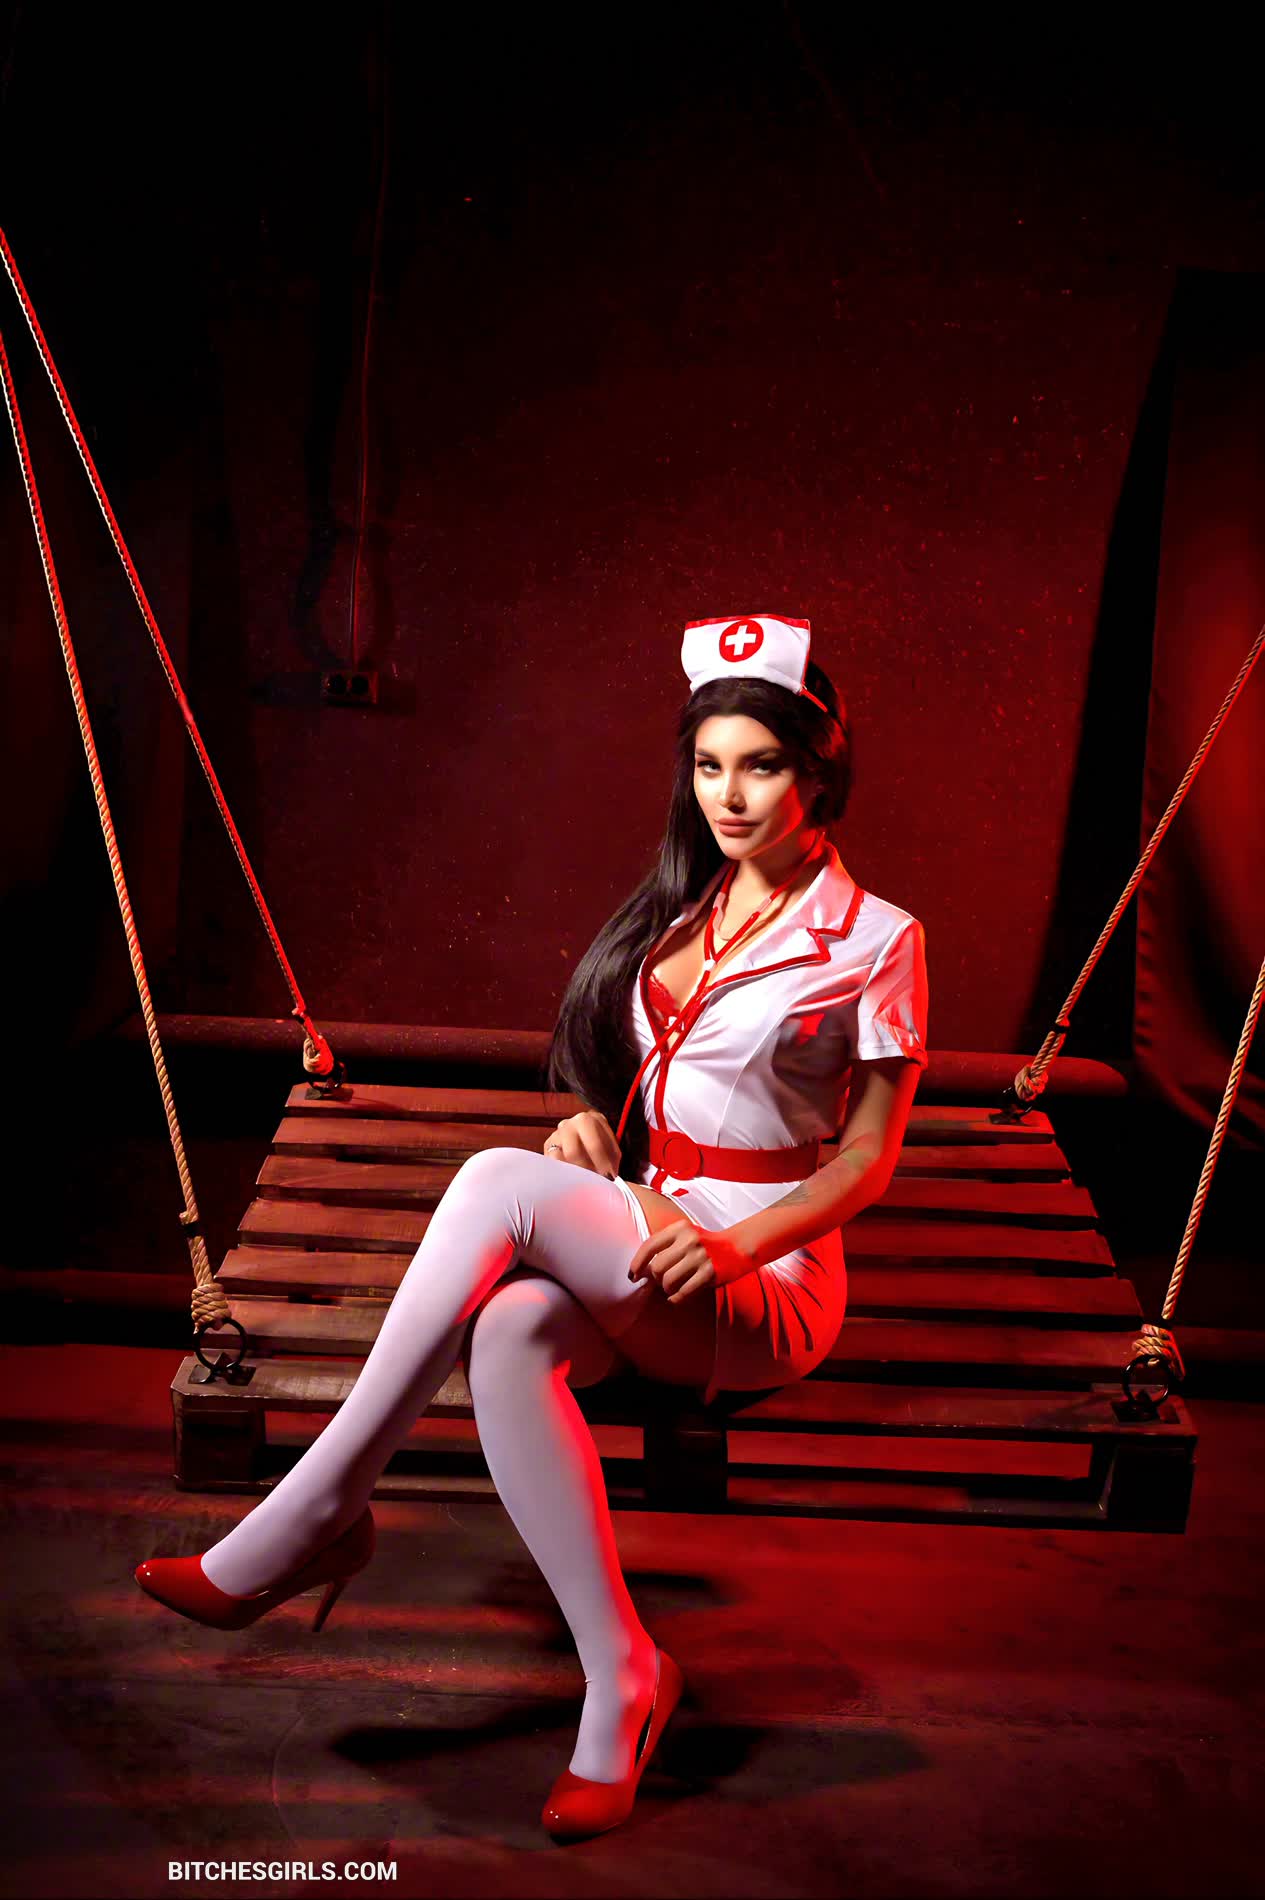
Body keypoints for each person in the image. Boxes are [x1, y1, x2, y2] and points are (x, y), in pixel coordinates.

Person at [133, 612, 929, 1843]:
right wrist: (595, 1132)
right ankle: (623, 1673)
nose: (727, 794)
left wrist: (733, 1244)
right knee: (509, 1329)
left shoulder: (875, 940)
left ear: (818, 773)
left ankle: (317, 1508)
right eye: (708, 765)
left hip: (760, 1273)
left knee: (492, 1183)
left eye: (761, 766)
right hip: (655, 1221)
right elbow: (668, 1091)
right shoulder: (687, 908)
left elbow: (868, 1163)